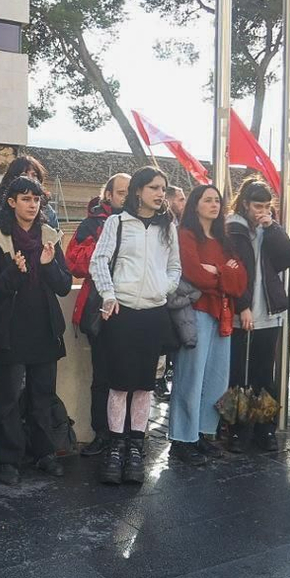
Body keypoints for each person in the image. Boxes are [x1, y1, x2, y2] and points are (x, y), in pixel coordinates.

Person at [90, 167, 180, 484]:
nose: (159, 194)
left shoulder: (169, 226)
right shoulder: (117, 222)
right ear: (138, 190)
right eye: (154, 187)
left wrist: (162, 288)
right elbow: (98, 260)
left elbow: (175, 267)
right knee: (119, 384)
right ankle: (115, 448)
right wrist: (109, 294)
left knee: (143, 385)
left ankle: (136, 449)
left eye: (163, 188)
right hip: (122, 313)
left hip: (154, 314)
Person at [0, 175, 72, 485]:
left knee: (42, 395)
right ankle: (7, 460)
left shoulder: (50, 236)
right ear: (11, 202)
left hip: (44, 328)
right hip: (9, 329)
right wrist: (13, 274)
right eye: (25, 199)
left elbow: (63, 285)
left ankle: (44, 453)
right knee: (7, 398)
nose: (32, 205)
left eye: (36, 200)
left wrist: (47, 265)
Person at [168, 185, 246, 463]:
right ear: (195, 204)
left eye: (217, 200)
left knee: (215, 378)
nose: (214, 204)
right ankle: (181, 438)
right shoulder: (186, 235)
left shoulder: (224, 240)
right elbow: (193, 274)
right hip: (197, 312)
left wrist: (218, 273)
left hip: (222, 314)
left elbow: (241, 280)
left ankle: (202, 433)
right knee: (190, 376)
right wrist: (225, 278)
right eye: (207, 200)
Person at [226, 178, 290, 452]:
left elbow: (289, 257)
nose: (262, 211)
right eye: (258, 206)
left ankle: (264, 429)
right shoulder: (234, 228)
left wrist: (273, 228)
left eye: (267, 206)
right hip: (241, 314)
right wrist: (242, 305)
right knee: (237, 375)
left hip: (268, 313)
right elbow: (235, 271)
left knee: (264, 375)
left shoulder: (269, 229)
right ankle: (236, 430)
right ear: (245, 204)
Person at [66, 172, 129, 456]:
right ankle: (102, 433)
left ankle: (130, 435)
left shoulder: (147, 224)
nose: (126, 197)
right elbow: (74, 261)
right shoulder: (92, 223)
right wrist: (104, 248)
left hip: (136, 309)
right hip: (101, 309)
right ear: (109, 195)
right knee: (102, 376)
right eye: (121, 192)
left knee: (132, 377)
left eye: (131, 192)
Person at [0, 154, 59, 233]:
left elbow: (55, 240)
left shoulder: (48, 212)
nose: (29, 179)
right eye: (24, 175)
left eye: (34, 175)